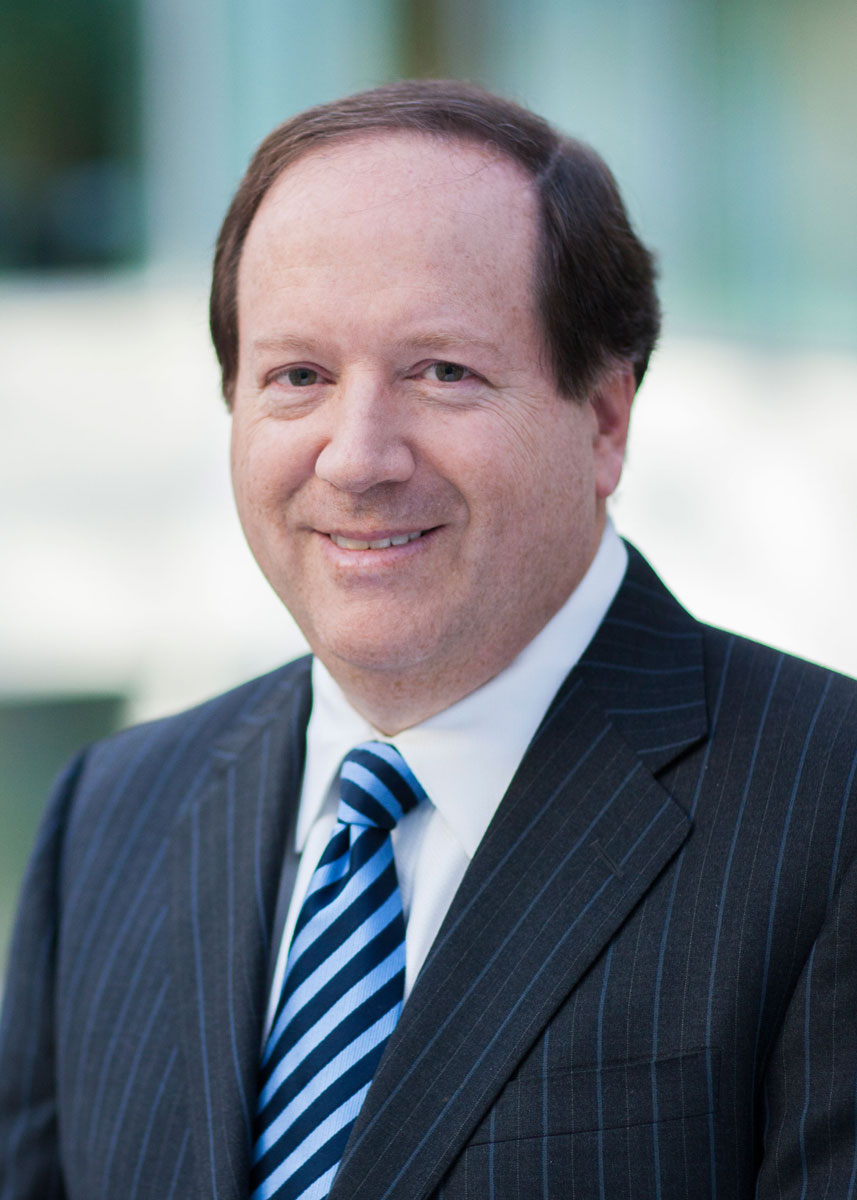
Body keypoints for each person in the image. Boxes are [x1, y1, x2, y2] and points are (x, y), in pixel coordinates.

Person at [1, 79, 856, 1200]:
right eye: (298, 377)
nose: (358, 458)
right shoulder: (110, 815)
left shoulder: (829, 808)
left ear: (604, 418)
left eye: (442, 373)